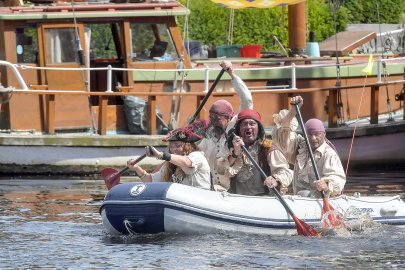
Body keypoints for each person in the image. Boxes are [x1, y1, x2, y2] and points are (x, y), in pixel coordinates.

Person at [269, 96, 346, 197]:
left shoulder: (329, 154)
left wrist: (327, 184)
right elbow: (282, 136)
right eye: (309, 135)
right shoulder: (300, 146)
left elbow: (338, 178)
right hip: (300, 198)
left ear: (324, 134)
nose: (313, 138)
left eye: (317, 134)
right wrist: (293, 111)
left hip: (321, 199)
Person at [197, 60, 253, 192]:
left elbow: (247, 100)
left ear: (228, 117)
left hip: (234, 189)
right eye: (211, 117)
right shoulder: (207, 136)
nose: (213, 121)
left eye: (217, 118)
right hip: (211, 189)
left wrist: (232, 74)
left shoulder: (234, 125)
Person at [217, 109, 293, 196]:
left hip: (262, 200)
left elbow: (285, 171)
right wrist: (235, 153)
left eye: (252, 124)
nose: (248, 127)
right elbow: (220, 170)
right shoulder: (231, 147)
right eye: (244, 124)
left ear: (258, 128)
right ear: (238, 129)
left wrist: (275, 180)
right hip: (236, 199)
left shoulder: (268, 148)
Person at [127, 124, 211, 190]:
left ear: (188, 146)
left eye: (178, 145)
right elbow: (150, 180)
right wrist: (136, 168)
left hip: (200, 200)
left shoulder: (198, 155)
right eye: (171, 146)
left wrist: (161, 155)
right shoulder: (170, 164)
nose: (174, 149)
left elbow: (186, 162)